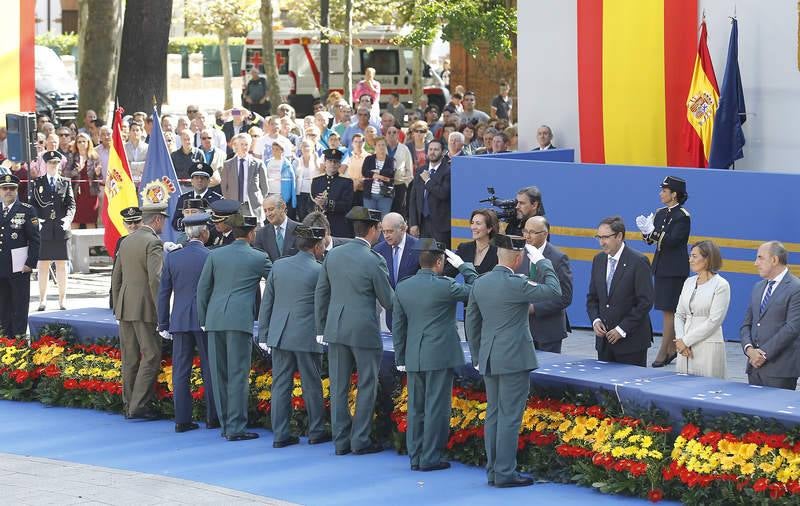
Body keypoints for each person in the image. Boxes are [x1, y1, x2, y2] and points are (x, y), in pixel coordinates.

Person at [465, 234, 561, 488]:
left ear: (498, 255)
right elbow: (554, 290)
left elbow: (472, 323)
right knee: (509, 417)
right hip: (514, 359)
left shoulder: (480, 283)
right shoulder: (516, 284)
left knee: (494, 415)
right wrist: (543, 262)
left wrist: (477, 355)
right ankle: (505, 472)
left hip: (488, 357)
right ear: (518, 259)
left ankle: (493, 470)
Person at [392, 240, 477, 472]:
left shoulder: (404, 286)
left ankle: (416, 456)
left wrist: (400, 357)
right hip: (439, 355)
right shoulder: (446, 286)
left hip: (414, 354)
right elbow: (477, 289)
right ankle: (430, 457)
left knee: (416, 407)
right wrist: (463, 267)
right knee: (437, 408)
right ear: (439, 262)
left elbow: (398, 326)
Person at [315, 207, 393, 455]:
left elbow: (321, 293)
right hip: (363, 329)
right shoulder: (374, 259)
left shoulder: (334, 255)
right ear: (372, 230)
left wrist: (321, 326)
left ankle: (341, 440)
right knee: (367, 384)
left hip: (336, 327)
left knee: (338, 385)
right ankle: (360, 440)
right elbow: (389, 299)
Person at [197, 212, 272, 440]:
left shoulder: (215, 255)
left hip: (214, 319)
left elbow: (203, 290)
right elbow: (278, 278)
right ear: (251, 234)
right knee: (237, 373)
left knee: (219, 374)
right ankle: (236, 427)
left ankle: (225, 425)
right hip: (239, 321)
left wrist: (203, 320)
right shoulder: (258, 257)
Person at [258, 225, 331, 448]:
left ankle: (280, 434)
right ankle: (316, 431)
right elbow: (322, 306)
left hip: (280, 334)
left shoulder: (278, 267)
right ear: (317, 246)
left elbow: (266, 303)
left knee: (280, 385)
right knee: (311, 384)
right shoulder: (319, 270)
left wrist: (264, 333)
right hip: (306, 335)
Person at [156, 212, 219, 432]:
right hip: (205, 319)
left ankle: (182, 420)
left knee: (180, 371)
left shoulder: (173, 257)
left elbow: (163, 293)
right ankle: (213, 417)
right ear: (203, 233)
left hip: (180, 320)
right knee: (210, 370)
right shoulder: (211, 256)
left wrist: (162, 324)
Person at [111, 202, 167, 420]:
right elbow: (156, 279)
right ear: (157, 220)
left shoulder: (126, 241)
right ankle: (138, 406)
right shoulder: (153, 242)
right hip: (144, 307)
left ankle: (129, 404)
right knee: (151, 355)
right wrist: (161, 309)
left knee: (130, 358)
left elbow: (116, 278)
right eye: (163, 219)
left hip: (125, 306)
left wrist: (118, 305)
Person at [637, 176, 691, 368]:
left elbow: (673, 240)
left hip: (674, 269)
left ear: (674, 194)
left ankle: (664, 350)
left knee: (670, 311)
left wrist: (653, 232)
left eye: (664, 191)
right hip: (661, 266)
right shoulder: (660, 213)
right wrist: (646, 232)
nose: (661, 194)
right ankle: (670, 349)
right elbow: (651, 241)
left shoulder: (682, 216)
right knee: (665, 310)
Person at [586, 216, 654, 366]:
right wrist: (595, 320)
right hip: (604, 343)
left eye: (606, 237)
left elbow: (645, 302)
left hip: (631, 343)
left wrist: (622, 329)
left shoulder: (638, 261)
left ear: (619, 236)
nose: (601, 242)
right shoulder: (599, 260)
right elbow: (592, 298)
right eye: (599, 237)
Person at [740, 241, 800, 390]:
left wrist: (763, 355)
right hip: (754, 368)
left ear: (774, 260)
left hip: (780, 370)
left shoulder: (796, 288)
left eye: (760, 258)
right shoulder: (758, 287)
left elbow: (792, 328)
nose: (755, 263)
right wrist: (749, 351)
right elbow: (747, 324)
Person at [673, 240, 730, 378]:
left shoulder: (721, 285)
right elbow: (679, 314)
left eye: (694, 256)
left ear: (707, 259)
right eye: (690, 256)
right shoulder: (688, 282)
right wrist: (680, 340)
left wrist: (686, 341)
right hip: (684, 347)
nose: (690, 260)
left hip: (707, 346)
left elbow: (714, 321)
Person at [518, 216, 573, 353]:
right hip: (522, 331)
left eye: (532, 232)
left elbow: (565, 296)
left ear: (545, 234)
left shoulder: (558, 258)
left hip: (548, 332)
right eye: (525, 231)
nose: (527, 236)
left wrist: (534, 308)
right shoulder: (519, 254)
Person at [31, 151, 75, 311]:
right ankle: (42, 300)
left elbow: (71, 204)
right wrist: (37, 222)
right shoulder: (38, 183)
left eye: (56, 163)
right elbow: (32, 206)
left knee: (61, 265)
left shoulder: (65, 182)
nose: (53, 166)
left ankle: (62, 300)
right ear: (45, 164)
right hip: (44, 229)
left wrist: (68, 219)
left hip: (60, 229)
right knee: (42, 265)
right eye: (50, 163)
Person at [0, 174, 39, 337]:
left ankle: (19, 341)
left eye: (12, 188)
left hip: (19, 267)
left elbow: (35, 240)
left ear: (17, 190)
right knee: (2, 306)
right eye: (4, 188)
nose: (8, 191)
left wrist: (30, 263)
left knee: (19, 305)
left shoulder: (27, 210)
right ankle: (3, 340)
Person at [408, 140, 451, 246]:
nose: (432, 152)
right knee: (423, 256)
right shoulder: (420, 170)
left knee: (440, 257)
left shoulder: (448, 171)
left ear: (443, 152)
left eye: (436, 149)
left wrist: (428, 181)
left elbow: (443, 193)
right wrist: (413, 223)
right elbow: (413, 199)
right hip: (422, 223)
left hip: (440, 225)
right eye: (430, 149)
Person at [220, 133, 269, 223]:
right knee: (237, 232)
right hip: (235, 206)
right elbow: (224, 187)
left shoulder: (258, 164)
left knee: (256, 232)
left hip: (253, 206)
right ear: (236, 146)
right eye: (241, 144)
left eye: (246, 144)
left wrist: (258, 199)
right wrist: (230, 201)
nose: (244, 147)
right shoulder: (228, 164)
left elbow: (264, 187)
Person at [311, 149, 354, 238]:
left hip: (338, 224)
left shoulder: (346, 182)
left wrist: (327, 203)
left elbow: (347, 205)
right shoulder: (316, 181)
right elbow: (310, 203)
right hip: (319, 223)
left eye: (336, 162)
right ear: (325, 162)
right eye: (330, 161)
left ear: (339, 164)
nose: (333, 164)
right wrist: (319, 206)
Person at [445, 209, 498, 277]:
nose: (473, 227)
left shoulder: (498, 251)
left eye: (478, 223)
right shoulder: (465, 248)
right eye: (472, 223)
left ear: (489, 228)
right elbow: (447, 273)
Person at [171, 162, 222, 233]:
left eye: (203, 178)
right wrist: (189, 223)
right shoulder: (183, 198)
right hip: (188, 237)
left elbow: (220, 222)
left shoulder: (217, 199)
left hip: (211, 238)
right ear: (191, 181)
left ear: (209, 181)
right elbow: (175, 223)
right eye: (196, 178)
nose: (199, 180)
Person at [64, 132, 101, 229]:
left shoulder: (94, 156)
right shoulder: (72, 157)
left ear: (88, 143)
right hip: (76, 193)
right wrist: (77, 171)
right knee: (75, 220)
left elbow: (99, 177)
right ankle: (72, 244)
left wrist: (97, 174)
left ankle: (92, 244)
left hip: (90, 193)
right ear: (76, 144)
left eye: (84, 141)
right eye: (79, 142)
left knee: (90, 221)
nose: (81, 144)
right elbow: (66, 174)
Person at [254, 195, 299, 262]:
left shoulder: (300, 229)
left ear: (282, 207)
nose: (268, 214)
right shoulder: (261, 234)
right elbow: (260, 261)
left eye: (271, 209)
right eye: (265, 211)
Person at [361, 136, 395, 217]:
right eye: (379, 145)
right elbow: (364, 172)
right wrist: (380, 177)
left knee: (384, 220)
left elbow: (390, 172)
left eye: (383, 145)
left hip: (385, 195)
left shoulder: (391, 160)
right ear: (375, 146)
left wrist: (378, 171)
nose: (381, 147)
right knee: (370, 220)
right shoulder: (369, 159)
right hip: (370, 195)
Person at [124, 120, 149, 185]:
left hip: (143, 182)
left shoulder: (147, 148)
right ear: (129, 132)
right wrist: (140, 166)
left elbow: (147, 165)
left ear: (141, 132)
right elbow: (124, 165)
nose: (135, 132)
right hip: (127, 182)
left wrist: (131, 164)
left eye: (137, 130)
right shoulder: (124, 147)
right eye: (133, 130)